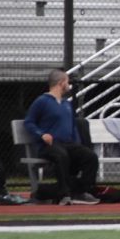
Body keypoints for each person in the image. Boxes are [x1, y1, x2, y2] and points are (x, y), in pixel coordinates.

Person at [24, 69, 99, 205]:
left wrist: (77, 144)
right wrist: (41, 134)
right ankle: (64, 193)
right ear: (61, 83)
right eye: (67, 82)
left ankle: (80, 191)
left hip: (67, 144)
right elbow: (29, 122)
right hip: (49, 146)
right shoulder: (42, 101)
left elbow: (72, 127)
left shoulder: (66, 104)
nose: (69, 85)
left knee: (90, 157)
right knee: (61, 155)